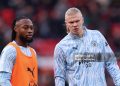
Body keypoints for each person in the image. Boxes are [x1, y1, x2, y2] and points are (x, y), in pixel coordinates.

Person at [54, 7, 120, 86]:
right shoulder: (61, 47)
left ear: (82, 20)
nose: (75, 24)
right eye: (71, 22)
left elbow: (111, 63)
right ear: (66, 23)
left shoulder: (97, 36)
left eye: (77, 21)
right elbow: (59, 76)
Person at [0, 16, 38, 86]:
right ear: (16, 29)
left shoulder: (33, 52)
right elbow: (3, 81)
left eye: (31, 28)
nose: (30, 31)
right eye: (25, 28)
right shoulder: (10, 50)